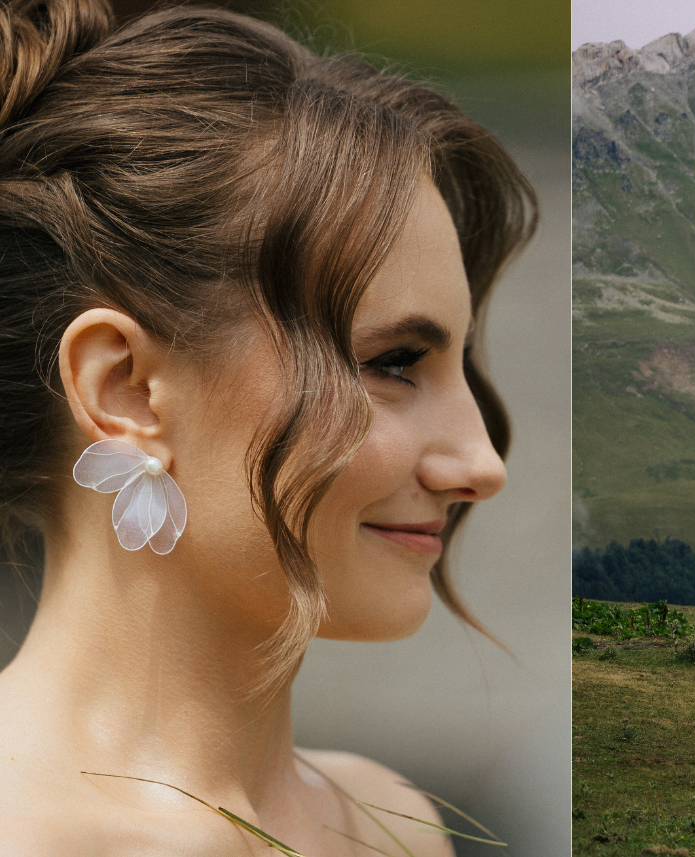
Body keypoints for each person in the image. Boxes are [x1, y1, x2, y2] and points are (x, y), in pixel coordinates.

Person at [0, 1, 534, 852]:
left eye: (460, 367)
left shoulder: (391, 823)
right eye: (394, 362)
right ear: (126, 389)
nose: (480, 463)